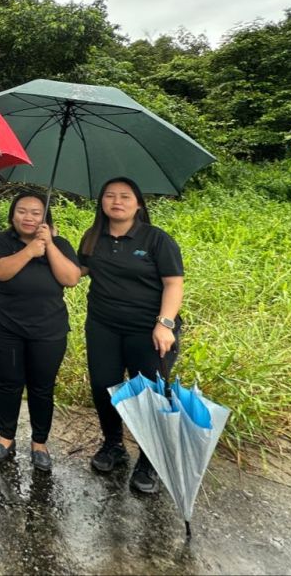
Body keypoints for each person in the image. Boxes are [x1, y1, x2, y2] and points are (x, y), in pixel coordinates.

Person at [78, 177, 184, 494]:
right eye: (109, 195)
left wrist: (165, 323)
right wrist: (48, 244)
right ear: (102, 203)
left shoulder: (156, 240)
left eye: (125, 196)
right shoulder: (92, 237)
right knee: (103, 386)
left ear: (138, 203)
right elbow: (75, 272)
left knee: (147, 393)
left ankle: (149, 460)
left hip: (148, 330)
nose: (117, 201)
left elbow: (174, 284)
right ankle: (114, 445)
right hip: (103, 326)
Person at [0, 192, 81, 472]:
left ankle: (39, 443)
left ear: (45, 217)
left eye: (36, 213)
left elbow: (71, 278)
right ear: (12, 215)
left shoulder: (60, 243)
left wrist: (49, 244)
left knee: (42, 388)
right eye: (22, 212)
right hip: (7, 326)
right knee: (9, 383)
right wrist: (29, 251)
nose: (28, 217)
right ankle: (6, 437)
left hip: (49, 329)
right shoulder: (1, 242)